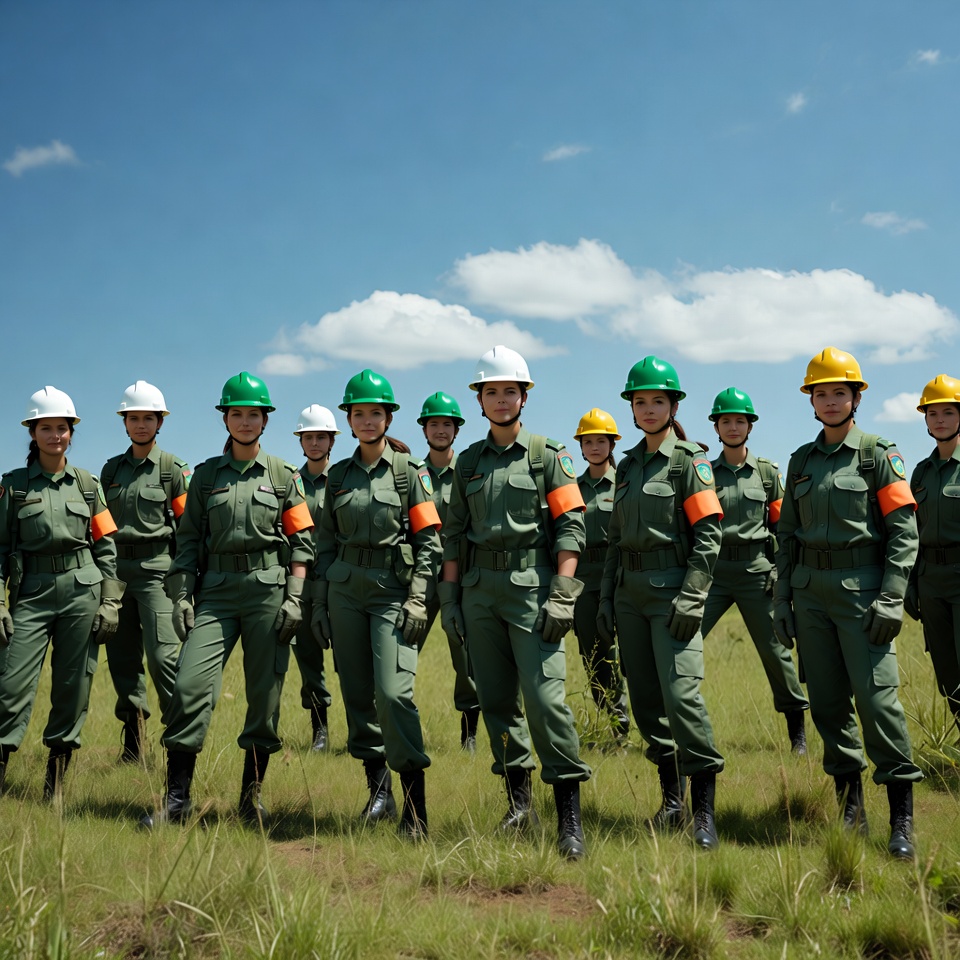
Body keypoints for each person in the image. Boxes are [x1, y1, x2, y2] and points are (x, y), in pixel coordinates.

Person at [140, 372, 314, 828]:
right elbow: (189, 540)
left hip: (267, 593)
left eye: (252, 414)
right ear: (225, 418)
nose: (244, 421)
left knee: (264, 697)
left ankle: (249, 800)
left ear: (264, 420)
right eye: (235, 413)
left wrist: (295, 598)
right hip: (215, 593)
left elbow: (301, 543)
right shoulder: (204, 477)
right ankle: (176, 801)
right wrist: (181, 596)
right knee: (189, 688)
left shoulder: (283, 477)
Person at [438, 345, 592, 860]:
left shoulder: (549, 455)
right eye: (491, 392)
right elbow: (455, 535)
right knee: (498, 703)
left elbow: (571, 525)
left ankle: (569, 818)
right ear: (479, 401)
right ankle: (519, 805)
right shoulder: (468, 462)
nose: (501, 400)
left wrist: (564, 594)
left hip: (534, 592)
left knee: (547, 703)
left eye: (510, 391)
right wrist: (452, 600)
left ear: (524, 397)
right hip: (480, 594)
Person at [773, 347, 921, 860]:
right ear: (810, 401)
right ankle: (850, 808)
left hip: (864, 594)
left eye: (839, 391)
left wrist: (892, 597)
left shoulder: (878, 453)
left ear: (856, 397)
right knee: (830, 706)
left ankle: (901, 818)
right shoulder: (801, 461)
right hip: (810, 594)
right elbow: (787, 535)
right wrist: (782, 600)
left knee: (878, 703)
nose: (830, 400)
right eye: (821, 392)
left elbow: (904, 532)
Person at [597, 356, 725, 850]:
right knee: (648, 703)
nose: (648, 409)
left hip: (673, 592)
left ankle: (704, 812)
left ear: (673, 406)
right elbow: (613, 540)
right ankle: (671, 800)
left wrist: (693, 596)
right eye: (640, 401)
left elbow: (708, 533)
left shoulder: (688, 461)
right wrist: (607, 598)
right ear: (630, 408)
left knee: (683, 699)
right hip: (629, 594)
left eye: (657, 401)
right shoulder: (625, 466)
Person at [310, 370, 441, 839]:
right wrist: (321, 604)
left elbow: (429, 541)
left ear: (388, 417)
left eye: (375, 412)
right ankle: (379, 794)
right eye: (359, 413)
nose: (367, 420)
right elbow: (325, 544)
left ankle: (416, 808)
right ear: (348, 420)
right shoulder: (338, 476)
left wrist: (420, 598)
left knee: (394, 694)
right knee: (358, 697)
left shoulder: (410, 473)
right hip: (345, 591)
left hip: (391, 592)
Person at [0, 386, 122, 800]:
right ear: (32, 433)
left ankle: (55, 782)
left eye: (62, 428)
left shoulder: (88, 485)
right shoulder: (13, 487)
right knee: (10, 685)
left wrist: (110, 601)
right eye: (46, 428)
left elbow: (106, 547)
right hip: (30, 594)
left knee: (73, 686)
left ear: (72, 432)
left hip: (81, 593)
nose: (55, 435)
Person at [700, 387, 809, 753]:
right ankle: (679, 731)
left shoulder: (766, 474)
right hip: (712, 572)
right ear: (716, 427)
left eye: (740, 421)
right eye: (726, 420)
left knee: (776, 651)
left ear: (750, 426)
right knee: (679, 641)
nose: (733, 427)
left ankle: (797, 733)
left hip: (755, 572)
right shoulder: (703, 474)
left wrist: (780, 576)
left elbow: (781, 527)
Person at [101, 381, 191, 763]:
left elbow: (187, 529)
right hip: (117, 573)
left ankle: (179, 742)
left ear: (160, 422)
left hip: (159, 572)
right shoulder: (110, 471)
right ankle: (133, 740)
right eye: (133, 418)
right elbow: (100, 528)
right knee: (123, 661)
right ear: (124, 423)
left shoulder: (173, 469)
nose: (140, 425)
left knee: (163, 658)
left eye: (148, 418)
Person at [417, 391, 481, 752]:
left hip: (461, 578)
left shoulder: (470, 471)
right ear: (424, 428)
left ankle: (468, 736)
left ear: (457, 429)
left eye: (447, 424)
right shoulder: (412, 473)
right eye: (434, 423)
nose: (440, 430)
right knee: (402, 650)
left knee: (465, 657)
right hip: (422, 578)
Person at [906, 374, 960, 728]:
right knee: (948, 674)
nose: (939, 419)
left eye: (948, 412)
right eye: (932, 413)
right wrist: (910, 584)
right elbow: (910, 534)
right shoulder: (920, 474)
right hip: (930, 580)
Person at [572, 409, 629, 741]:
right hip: (583, 581)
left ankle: (642, 722)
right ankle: (616, 726)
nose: (594, 447)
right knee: (593, 656)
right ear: (580, 446)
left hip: (620, 576)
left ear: (612, 444)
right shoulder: (571, 487)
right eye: (588, 441)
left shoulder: (625, 483)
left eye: (601, 441)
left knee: (625, 653)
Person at [292, 403, 340, 752]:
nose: (314, 443)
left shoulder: (342, 480)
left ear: (331, 440)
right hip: (303, 579)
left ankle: (366, 729)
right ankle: (320, 730)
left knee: (350, 657)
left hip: (338, 579)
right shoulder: (288, 483)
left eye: (321, 436)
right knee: (308, 656)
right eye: (308, 437)